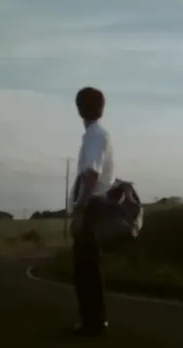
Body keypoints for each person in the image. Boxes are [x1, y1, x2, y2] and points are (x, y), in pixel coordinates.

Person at [68, 86, 115, 337]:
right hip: (94, 207)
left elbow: (91, 176)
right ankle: (93, 321)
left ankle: (92, 323)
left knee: (86, 269)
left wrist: (79, 211)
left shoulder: (94, 136)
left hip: (92, 208)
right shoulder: (97, 135)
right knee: (89, 268)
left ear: (79, 109)